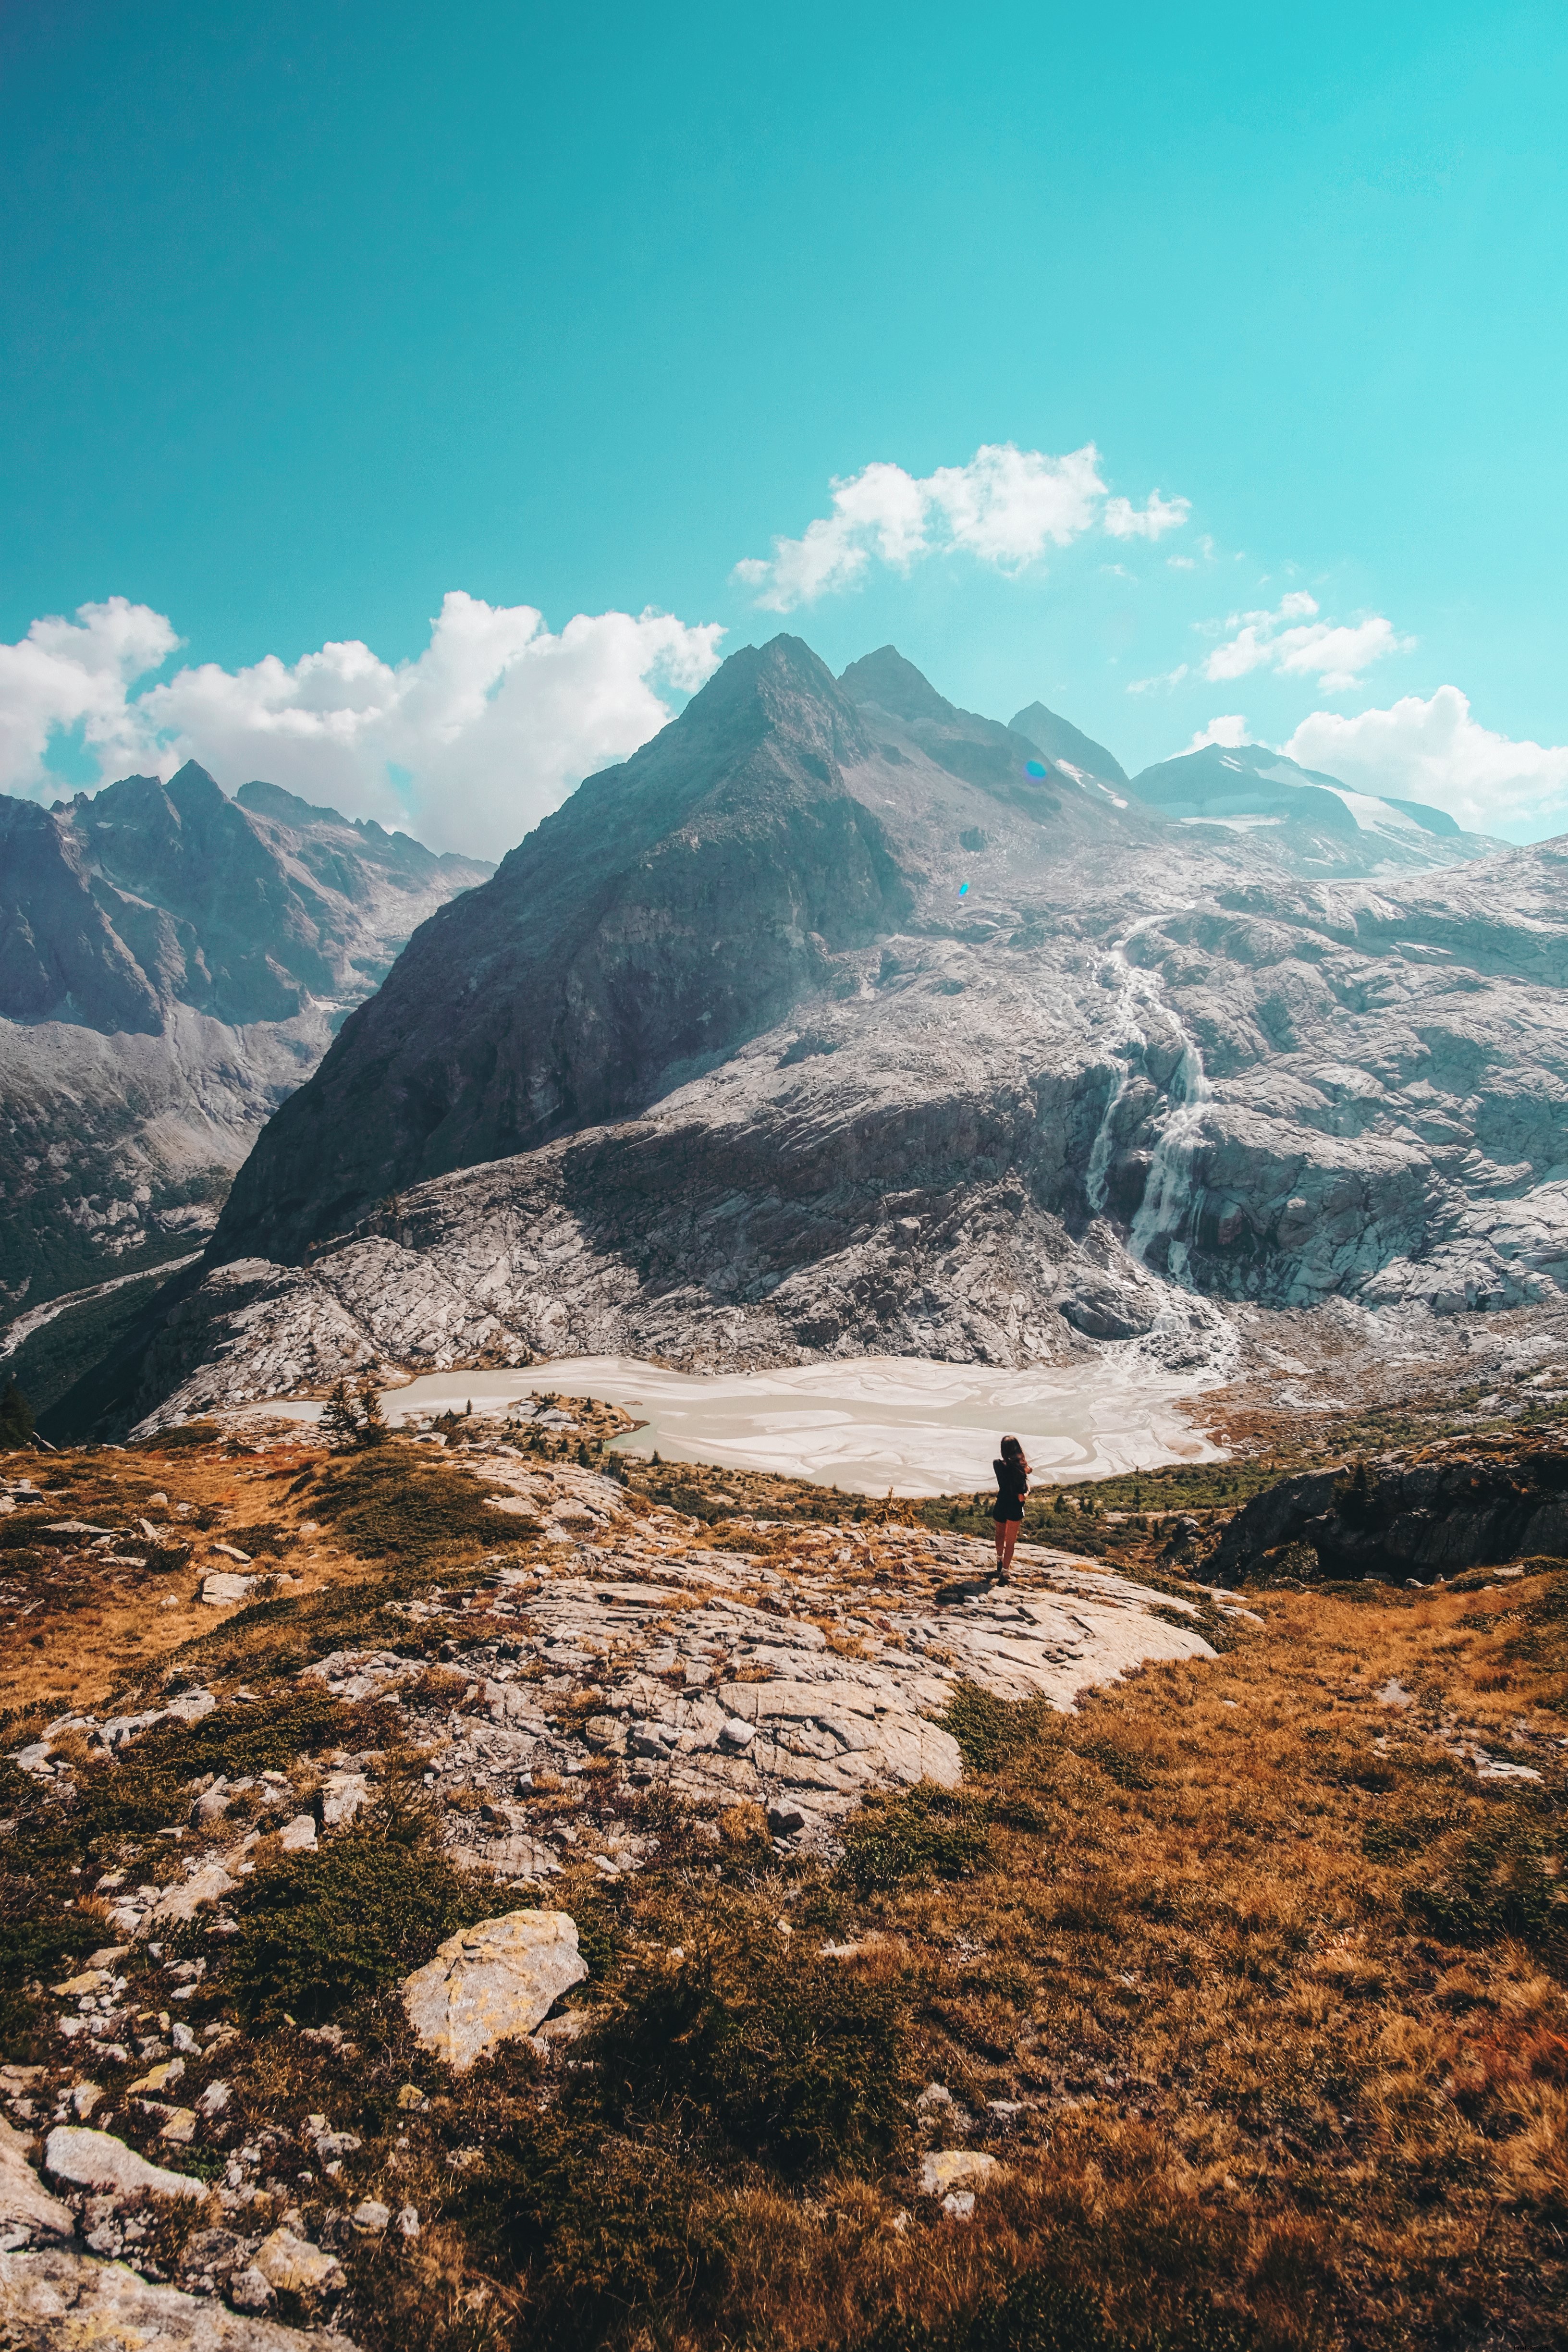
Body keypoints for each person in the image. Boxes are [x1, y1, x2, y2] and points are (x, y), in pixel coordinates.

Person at [992, 1434, 1030, 1580]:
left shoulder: (997, 1464)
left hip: (1001, 1503)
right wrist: (1029, 1490)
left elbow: (1006, 1474)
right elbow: (1021, 1496)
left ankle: (999, 1559)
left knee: (1000, 1534)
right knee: (1011, 1540)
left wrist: (1023, 1470)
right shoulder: (1019, 1471)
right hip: (1014, 1507)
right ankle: (1006, 1571)